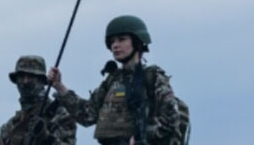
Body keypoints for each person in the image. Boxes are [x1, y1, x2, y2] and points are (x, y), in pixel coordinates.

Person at [48, 15, 181, 145]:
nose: (115, 45)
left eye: (121, 39)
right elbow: (87, 115)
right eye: (112, 41)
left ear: (137, 42)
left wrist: (141, 135)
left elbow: (171, 120)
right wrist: (59, 87)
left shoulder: (153, 78)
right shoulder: (112, 81)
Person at [0, 55, 77, 145]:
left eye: (31, 76)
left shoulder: (60, 115)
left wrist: (45, 137)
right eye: (21, 76)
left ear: (42, 80)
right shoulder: (10, 126)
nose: (25, 81)